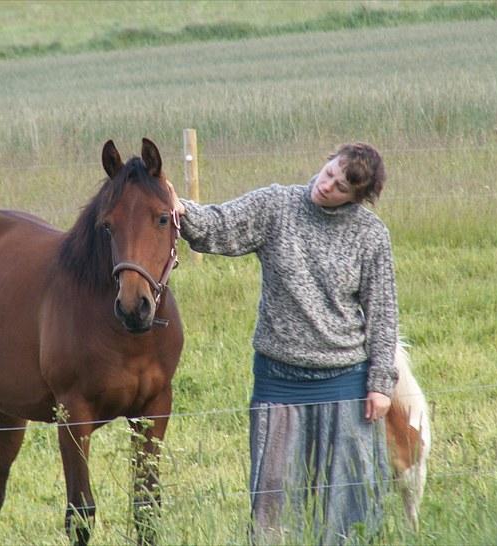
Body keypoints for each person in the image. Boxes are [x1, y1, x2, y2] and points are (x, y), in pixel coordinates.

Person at [169, 143, 397, 545]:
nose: (327, 186)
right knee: (272, 495)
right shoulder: (277, 206)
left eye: (341, 187)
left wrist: (380, 383)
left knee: (349, 498)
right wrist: (178, 207)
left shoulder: (370, 235)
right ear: (326, 160)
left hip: (345, 380)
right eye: (329, 173)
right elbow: (219, 225)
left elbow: (382, 312)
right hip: (279, 379)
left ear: (358, 198)